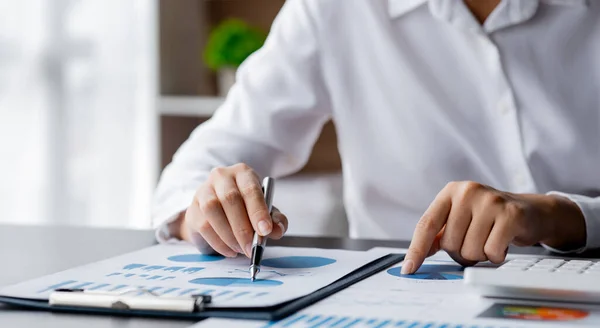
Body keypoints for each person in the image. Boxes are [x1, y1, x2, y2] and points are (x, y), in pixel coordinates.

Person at [153, 0, 600, 274]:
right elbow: (204, 162)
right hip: (398, 300)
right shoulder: (336, 8)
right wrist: (206, 207)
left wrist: (561, 217)